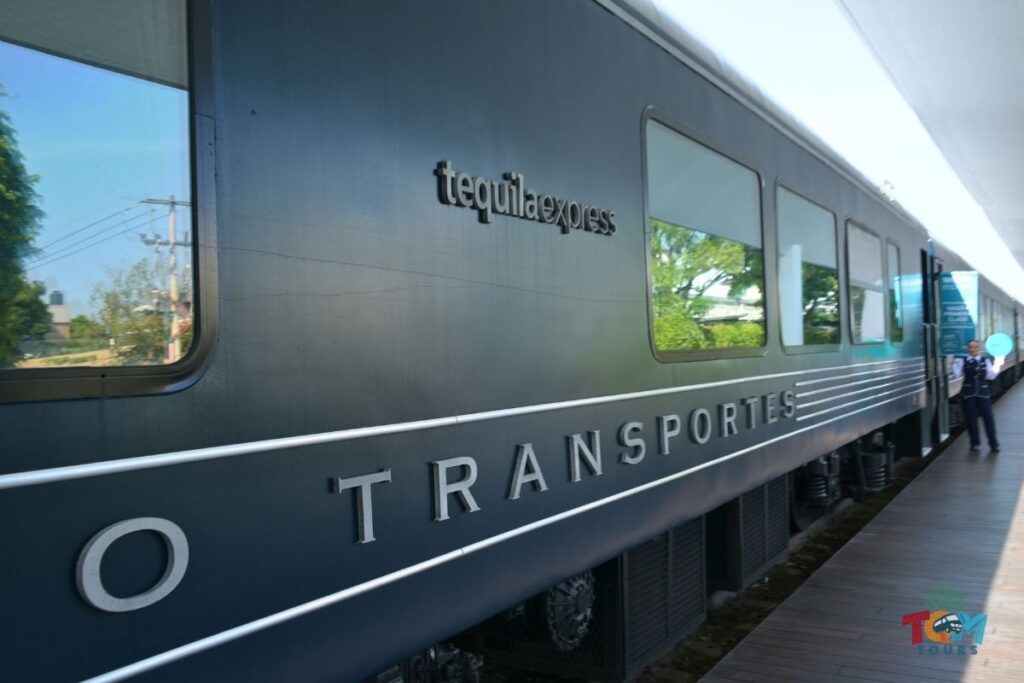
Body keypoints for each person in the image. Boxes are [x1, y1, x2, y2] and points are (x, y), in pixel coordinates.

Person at [951, 340, 1001, 452]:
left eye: (975, 347)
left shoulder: (985, 361)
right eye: (970, 347)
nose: (973, 349)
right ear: (968, 349)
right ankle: (974, 443)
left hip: (983, 394)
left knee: (989, 419)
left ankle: (993, 444)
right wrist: (953, 362)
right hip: (968, 394)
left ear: (979, 348)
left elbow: (991, 376)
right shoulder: (963, 361)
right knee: (971, 420)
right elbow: (956, 375)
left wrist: (997, 364)